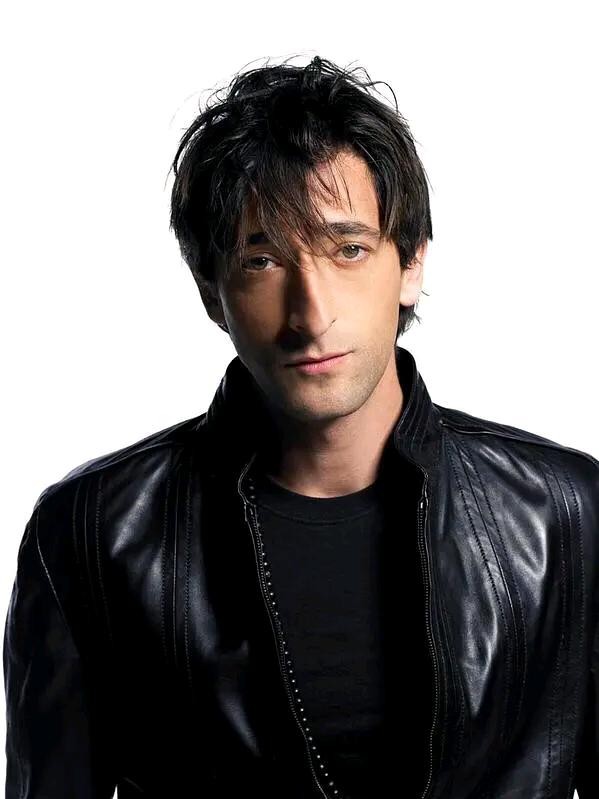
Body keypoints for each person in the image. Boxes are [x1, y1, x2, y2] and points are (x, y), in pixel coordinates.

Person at [3, 55, 598, 799]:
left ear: (410, 263)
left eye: (348, 250)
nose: (312, 314)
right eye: (262, 261)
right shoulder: (93, 534)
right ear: (212, 292)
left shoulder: (565, 513)